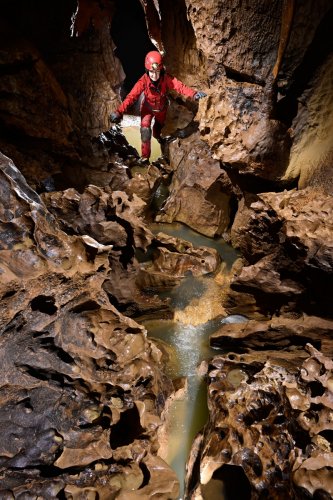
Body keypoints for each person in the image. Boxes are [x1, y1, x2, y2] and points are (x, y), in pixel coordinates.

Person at [110, 50, 207, 164]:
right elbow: (131, 97)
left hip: (162, 109)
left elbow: (180, 86)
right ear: (147, 71)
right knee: (145, 129)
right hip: (147, 108)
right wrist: (119, 112)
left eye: (157, 72)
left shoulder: (166, 79)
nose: (154, 75)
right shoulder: (143, 81)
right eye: (151, 72)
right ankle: (145, 157)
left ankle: (160, 140)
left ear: (161, 70)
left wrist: (194, 94)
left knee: (157, 132)